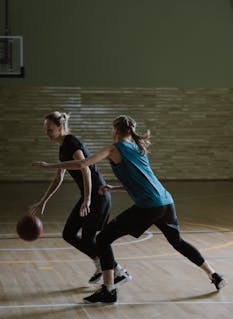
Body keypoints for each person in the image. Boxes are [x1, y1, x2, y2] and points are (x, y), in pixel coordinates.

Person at [33, 114, 226, 303]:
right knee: (177, 242)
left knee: (103, 238)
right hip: (166, 202)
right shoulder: (137, 147)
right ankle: (214, 275)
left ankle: (109, 289)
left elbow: (83, 163)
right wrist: (114, 188)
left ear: (115, 131)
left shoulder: (113, 148)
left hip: (148, 207)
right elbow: (143, 180)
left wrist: (50, 165)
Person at [29, 111, 132, 286]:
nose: (47, 133)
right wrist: (43, 200)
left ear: (61, 127)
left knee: (89, 238)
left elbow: (85, 168)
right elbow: (59, 177)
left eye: (50, 129)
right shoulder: (63, 147)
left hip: (98, 195)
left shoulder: (72, 142)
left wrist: (87, 199)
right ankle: (102, 264)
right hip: (89, 195)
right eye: (45, 130)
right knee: (68, 234)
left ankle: (118, 271)